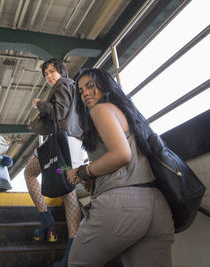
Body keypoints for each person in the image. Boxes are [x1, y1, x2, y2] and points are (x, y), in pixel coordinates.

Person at [66, 68, 175, 266]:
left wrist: (83, 171)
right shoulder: (130, 114)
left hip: (122, 206)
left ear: (105, 85)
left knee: (77, 263)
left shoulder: (100, 110)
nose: (85, 94)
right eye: (81, 91)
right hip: (156, 204)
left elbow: (122, 155)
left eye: (90, 86)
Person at [25, 58, 86, 267]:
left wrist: (40, 104)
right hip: (71, 142)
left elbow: (58, 113)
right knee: (67, 189)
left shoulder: (63, 84)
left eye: (52, 71)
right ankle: (71, 248)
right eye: (46, 74)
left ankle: (47, 220)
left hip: (64, 142)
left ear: (61, 71)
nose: (49, 76)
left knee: (32, 174)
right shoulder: (71, 87)